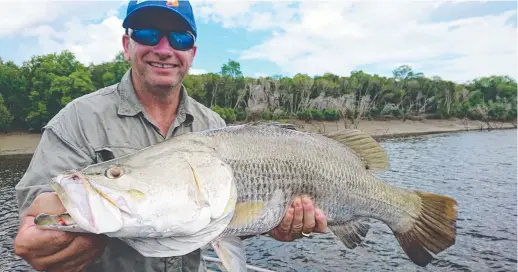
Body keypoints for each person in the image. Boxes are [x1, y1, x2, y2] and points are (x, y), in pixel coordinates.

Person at [13, 0, 328, 271]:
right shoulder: (77, 119)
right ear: (127, 46)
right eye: (148, 34)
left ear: (191, 53)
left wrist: (275, 224)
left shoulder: (214, 124)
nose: (164, 49)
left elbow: (226, 220)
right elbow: (39, 204)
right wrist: (44, 224)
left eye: (178, 38)